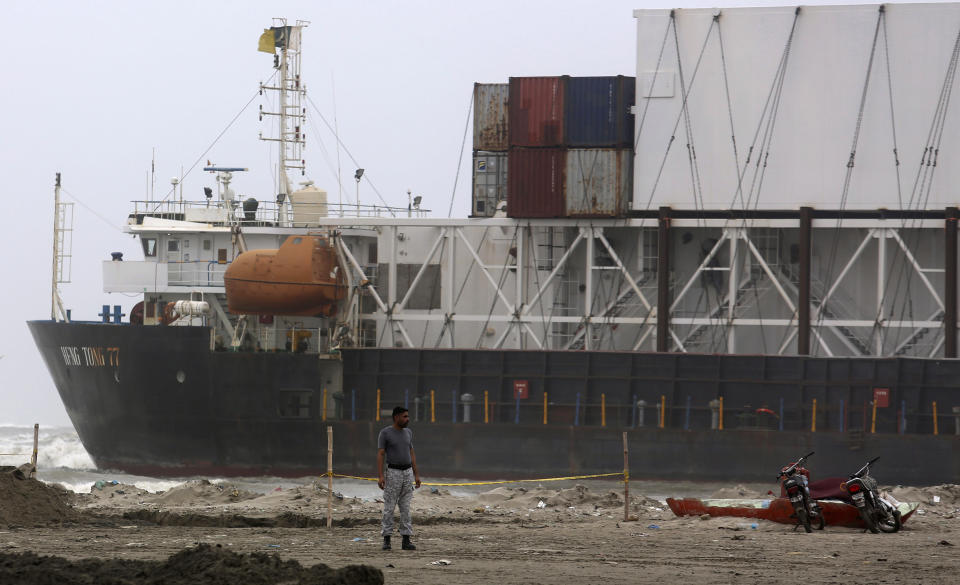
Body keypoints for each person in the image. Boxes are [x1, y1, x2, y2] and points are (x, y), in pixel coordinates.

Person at [377, 406, 421, 550]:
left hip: (407, 472)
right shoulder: (385, 433)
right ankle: (387, 540)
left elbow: (412, 453)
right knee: (389, 507)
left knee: (406, 508)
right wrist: (381, 476)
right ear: (396, 417)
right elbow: (381, 454)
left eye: (408, 416)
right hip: (393, 472)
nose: (407, 419)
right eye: (405, 416)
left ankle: (406, 540)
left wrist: (416, 474)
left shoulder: (408, 432)